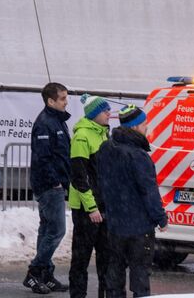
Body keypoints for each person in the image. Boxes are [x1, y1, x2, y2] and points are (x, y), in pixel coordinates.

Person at [96, 104, 168, 298]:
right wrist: (160, 218)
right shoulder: (138, 156)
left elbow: (100, 183)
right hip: (138, 226)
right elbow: (149, 191)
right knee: (140, 277)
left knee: (115, 273)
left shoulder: (106, 148)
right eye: (144, 124)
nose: (147, 128)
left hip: (114, 224)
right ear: (135, 127)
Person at [24, 82, 71, 294]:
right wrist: (55, 182)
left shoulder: (58, 121)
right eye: (62, 98)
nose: (66, 102)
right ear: (50, 101)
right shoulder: (45, 123)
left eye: (66, 97)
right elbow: (43, 158)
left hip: (55, 184)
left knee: (46, 231)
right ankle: (34, 272)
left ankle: (46, 273)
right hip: (49, 185)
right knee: (57, 231)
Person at [68, 94, 111, 298]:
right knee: (81, 259)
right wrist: (91, 208)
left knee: (106, 258)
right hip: (87, 209)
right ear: (93, 114)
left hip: (103, 205)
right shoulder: (82, 136)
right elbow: (79, 176)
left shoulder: (103, 133)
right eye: (105, 110)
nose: (109, 113)